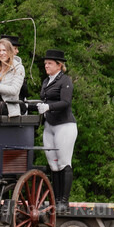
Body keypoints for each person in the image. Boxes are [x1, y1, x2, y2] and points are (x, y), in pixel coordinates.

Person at [36, 49, 76, 204]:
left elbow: (66, 102)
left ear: (59, 65)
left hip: (64, 125)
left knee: (64, 162)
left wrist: (48, 107)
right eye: (45, 63)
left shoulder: (65, 81)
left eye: (50, 63)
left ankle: (64, 200)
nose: (46, 65)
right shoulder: (46, 81)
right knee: (53, 164)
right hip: (49, 124)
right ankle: (56, 198)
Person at [0, 35, 29, 111]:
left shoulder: (18, 66)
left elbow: (22, 91)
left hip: (14, 104)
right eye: (15, 48)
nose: (17, 51)